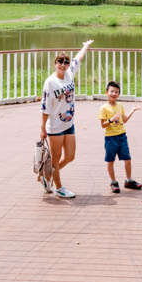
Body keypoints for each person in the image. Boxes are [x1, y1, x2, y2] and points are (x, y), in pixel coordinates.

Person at [39, 40, 93, 199]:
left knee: (70, 156)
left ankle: (47, 175)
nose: (63, 65)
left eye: (65, 62)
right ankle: (59, 187)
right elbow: (45, 107)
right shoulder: (50, 82)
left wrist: (86, 45)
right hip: (55, 126)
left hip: (68, 123)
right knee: (55, 158)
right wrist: (42, 128)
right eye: (60, 62)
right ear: (55, 64)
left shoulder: (70, 73)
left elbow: (79, 57)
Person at [99, 80, 142, 193]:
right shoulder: (104, 108)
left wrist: (132, 110)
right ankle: (113, 182)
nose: (113, 94)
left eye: (116, 92)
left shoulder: (120, 106)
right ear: (106, 92)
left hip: (122, 136)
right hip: (110, 138)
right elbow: (103, 125)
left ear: (119, 94)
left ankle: (128, 180)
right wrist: (111, 120)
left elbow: (125, 120)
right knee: (110, 161)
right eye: (111, 91)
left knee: (127, 159)